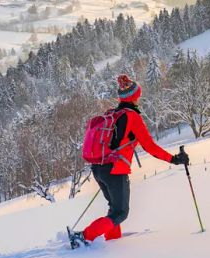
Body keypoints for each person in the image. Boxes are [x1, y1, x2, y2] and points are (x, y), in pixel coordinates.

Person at [75, 74, 189, 244]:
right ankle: (83, 237)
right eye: (138, 96)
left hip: (98, 168)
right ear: (134, 97)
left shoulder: (113, 114)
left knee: (114, 209)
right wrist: (174, 159)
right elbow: (150, 146)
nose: (139, 99)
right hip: (114, 170)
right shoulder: (132, 117)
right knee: (120, 213)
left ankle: (113, 241)